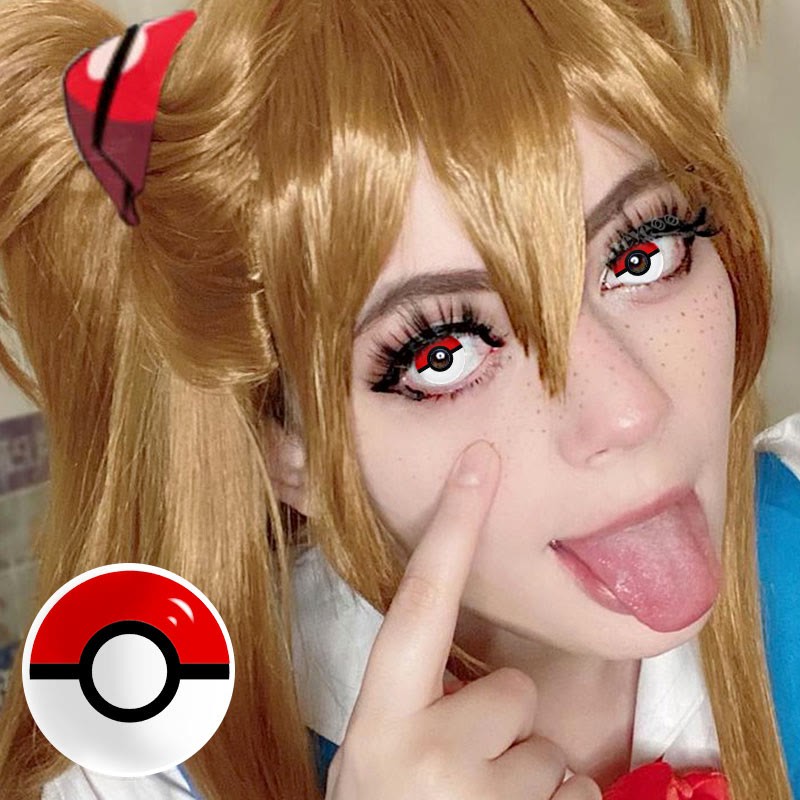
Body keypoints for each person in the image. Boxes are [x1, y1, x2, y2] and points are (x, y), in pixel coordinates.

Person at [0, 0, 794, 798]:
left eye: (645, 252)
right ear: (288, 447)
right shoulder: (143, 763)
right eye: (445, 353)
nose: (630, 409)